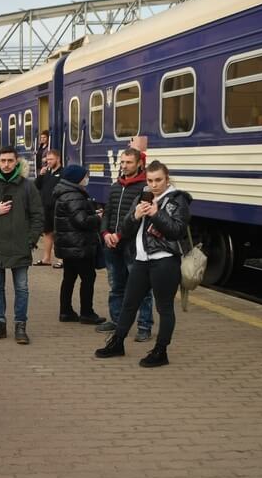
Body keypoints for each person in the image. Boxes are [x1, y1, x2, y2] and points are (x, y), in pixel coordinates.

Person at [95, 161, 192, 367]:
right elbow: (125, 229)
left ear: (167, 179)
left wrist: (156, 214)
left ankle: (160, 351)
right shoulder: (142, 196)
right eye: (150, 180)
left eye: (158, 180)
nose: (154, 185)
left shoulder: (177, 200)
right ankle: (117, 343)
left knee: (164, 308)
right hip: (140, 259)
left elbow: (177, 231)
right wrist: (135, 216)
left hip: (164, 261)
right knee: (129, 303)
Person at [0, 147, 43, 344]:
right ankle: (0, 325)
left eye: (10, 161)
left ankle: (20, 326)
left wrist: (31, 240)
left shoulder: (28, 187)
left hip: (20, 246)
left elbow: (38, 216)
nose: (6, 164)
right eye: (3, 160)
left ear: (17, 162)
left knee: (22, 288)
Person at [97, 147, 154, 341]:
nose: (124, 165)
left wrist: (119, 235)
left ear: (139, 164)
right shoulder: (115, 186)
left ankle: (144, 326)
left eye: (129, 162)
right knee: (116, 286)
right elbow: (108, 213)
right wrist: (105, 233)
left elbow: (138, 218)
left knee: (142, 289)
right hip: (112, 245)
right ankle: (117, 321)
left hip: (133, 246)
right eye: (122, 162)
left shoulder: (145, 189)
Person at [53, 164, 106, 325]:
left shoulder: (65, 193)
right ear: (77, 178)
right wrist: (98, 218)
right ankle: (87, 313)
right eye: (85, 176)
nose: (87, 178)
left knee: (69, 278)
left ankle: (66, 311)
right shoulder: (74, 195)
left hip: (68, 244)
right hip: (79, 245)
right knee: (88, 278)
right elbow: (81, 221)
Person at [33, 149, 63, 267]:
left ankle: (61, 259)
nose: (48, 162)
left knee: (58, 233)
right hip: (46, 207)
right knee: (47, 232)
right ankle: (46, 258)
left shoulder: (63, 173)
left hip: (57, 207)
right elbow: (36, 186)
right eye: (47, 159)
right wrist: (40, 175)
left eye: (51, 159)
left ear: (58, 159)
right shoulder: (46, 173)